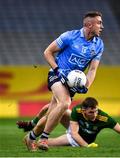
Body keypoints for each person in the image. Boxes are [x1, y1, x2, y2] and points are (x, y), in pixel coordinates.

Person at [23, 11, 104, 151]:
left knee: (52, 113)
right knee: (65, 103)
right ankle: (44, 139)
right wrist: (57, 70)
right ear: (89, 25)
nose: (102, 26)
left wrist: (87, 86)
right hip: (57, 76)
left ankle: (30, 137)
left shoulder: (99, 45)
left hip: (72, 84)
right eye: (99, 23)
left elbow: (92, 70)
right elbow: (47, 52)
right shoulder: (70, 36)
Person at [19, 97, 120, 151]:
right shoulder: (77, 110)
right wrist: (87, 147)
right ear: (83, 111)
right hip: (75, 132)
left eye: (96, 111)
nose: (94, 114)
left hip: (76, 140)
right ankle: (33, 127)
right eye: (91, 112)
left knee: (48, 143)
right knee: (55, 109)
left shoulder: (104, 118)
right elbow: (74, 132)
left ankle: (31, 139)